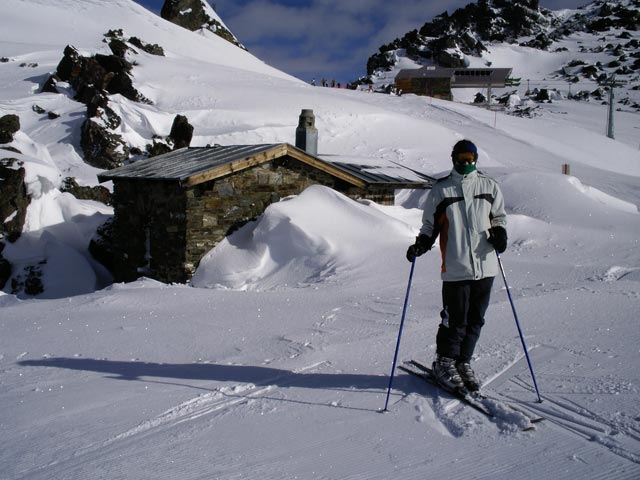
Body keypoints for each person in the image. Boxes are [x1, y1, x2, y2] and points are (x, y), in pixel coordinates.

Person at [406, 139, 507, 393]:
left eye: (470, 158)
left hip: (486, 266)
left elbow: (499, 218)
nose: (466, 163)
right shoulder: (441, 189)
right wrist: (422, 243)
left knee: (476, 319)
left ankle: (463, 362)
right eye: (461, 158)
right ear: (453, 159)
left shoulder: (489, 186)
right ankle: (445, 362)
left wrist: (500, 234)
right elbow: (430, 224)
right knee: (455, 319)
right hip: (456, 265)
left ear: (476, 159)